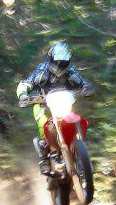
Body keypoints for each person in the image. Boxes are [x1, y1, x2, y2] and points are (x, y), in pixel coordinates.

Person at [15, 41, 94, 175]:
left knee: (77, 119)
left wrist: (86, 88)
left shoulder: (71, 71)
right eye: (57, 62)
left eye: (63, 63)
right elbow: (27, 83)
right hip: (43, 104)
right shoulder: (41, 70)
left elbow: (81, 81)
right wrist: (23, 94)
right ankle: (45, 157)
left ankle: (81, 153)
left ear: (67, 61)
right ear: (51, 59)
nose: (60, 65)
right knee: (43, 122)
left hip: (64, 103)